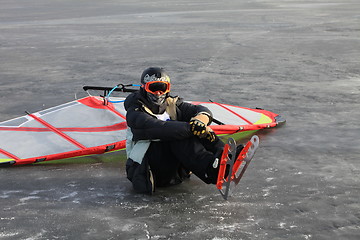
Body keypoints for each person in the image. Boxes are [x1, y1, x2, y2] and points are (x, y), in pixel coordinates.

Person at [124, 67, 226, 194]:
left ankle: (223, 157)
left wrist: (201, 120)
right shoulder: (135, 112)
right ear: (144, 87)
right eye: (153, 88)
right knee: (178, 132)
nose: (158, 93)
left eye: (163, 88)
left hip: (173, 170)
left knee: (196, 127)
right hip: (146, 170)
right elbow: (159, 128)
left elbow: (200, 110)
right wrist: (192, 128)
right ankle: (210, 170)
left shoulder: (172, 104)